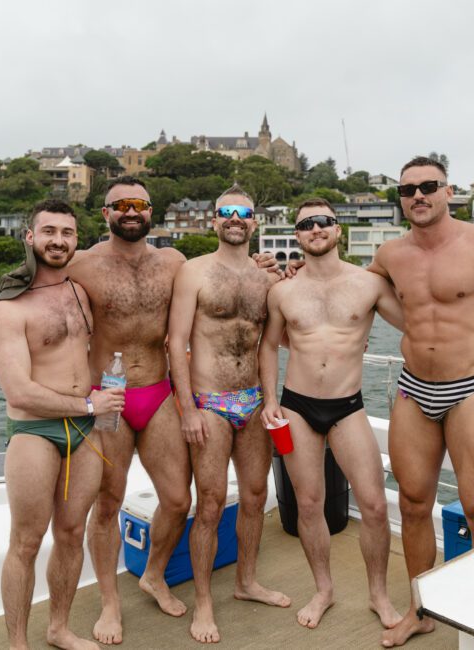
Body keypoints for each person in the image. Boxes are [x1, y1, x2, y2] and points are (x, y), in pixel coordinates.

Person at [258, 198, 474, 633]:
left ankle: (378, 595)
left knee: (372, 505)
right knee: (309, 505)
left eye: (324, 222)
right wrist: (270, 399)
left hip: (348, 406)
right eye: (307, 224)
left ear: (338, 231)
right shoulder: (282, 291)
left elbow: (421, 324)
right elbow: (269, 345)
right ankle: (324, 589)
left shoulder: (367, 284)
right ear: (297, 234)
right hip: (296, 405)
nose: (316, 229)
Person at [67, 176, 280, 645]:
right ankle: (109, 602)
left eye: (139, 204)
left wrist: (265, 266)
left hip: (160, 391)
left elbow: (230, 284)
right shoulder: (82, 265)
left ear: (151, 212)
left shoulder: (175, 262)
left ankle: (154, 574)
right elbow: (42, 289)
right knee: (107, 503)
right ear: (104, 213)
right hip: (110, 396)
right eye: (119, 204)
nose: (130, 210)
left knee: (179, 499)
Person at [367, 157, 474, 648]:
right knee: (414, 503)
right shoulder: (390, 254)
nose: (417, 196)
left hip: (471, 389)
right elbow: (349, 284)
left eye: (427, 186)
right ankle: (421, 610)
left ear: (448, 191)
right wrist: (292, 269)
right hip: (413, 388)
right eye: (407, 190)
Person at [0, 199, 125, 650]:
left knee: (70, 535)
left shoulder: (80, 293)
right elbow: (20, 392)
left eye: (67, 233)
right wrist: (89, 405)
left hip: (85, 432)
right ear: (30, 237)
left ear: (75, 240)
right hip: (35, 432)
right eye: (48, 231)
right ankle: (17, 644)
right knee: (26, 542)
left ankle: (59, 628)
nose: (58, 240)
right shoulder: (8, 309)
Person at [168, 184, 291, 644]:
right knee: (212, 503)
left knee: (257, 496)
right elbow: (176, 344)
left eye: (244, 212)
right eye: (226, 212)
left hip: (254, 400)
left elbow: (273, 344)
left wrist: (272, 398)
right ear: (213, 221)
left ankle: (246, 582)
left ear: (255, 222)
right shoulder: (193, 272)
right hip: (210, 401)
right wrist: (188, 409)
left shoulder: (268, 281)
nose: (235, 218)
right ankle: (203, 601)